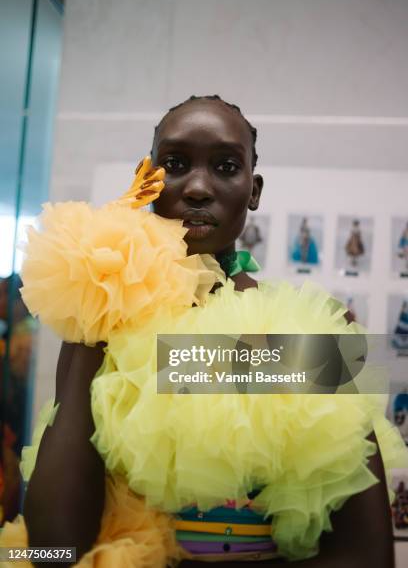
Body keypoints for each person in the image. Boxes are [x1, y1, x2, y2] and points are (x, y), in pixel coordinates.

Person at [1, 95, 407, 568]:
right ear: (147, 182)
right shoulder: (100, 334)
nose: (196, 187)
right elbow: (54, 550)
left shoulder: (311, 331)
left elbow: (367, 555)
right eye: (173, 163)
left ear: (253, 191)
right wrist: (98, 295)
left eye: (225, 166)